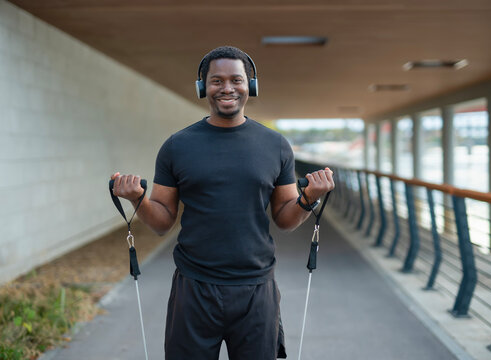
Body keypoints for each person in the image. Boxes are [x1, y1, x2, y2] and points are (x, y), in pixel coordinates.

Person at [111, 46, 334, 360]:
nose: (227, 88)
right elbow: (161, 221)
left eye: (236, 80)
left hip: (257, 289)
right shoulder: (177, 146)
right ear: (203, 88)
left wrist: (309, 197)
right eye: (216, 81)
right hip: (194, 288)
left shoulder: (276, 145)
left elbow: (285, 218)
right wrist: (138, 199)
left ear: (250, 86)